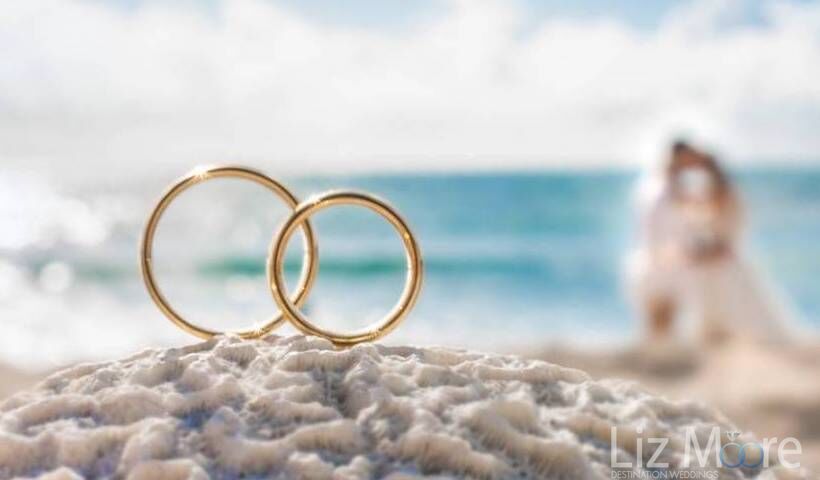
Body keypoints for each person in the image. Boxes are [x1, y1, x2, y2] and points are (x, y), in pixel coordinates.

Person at [626, 141, 793, 345]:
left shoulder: (713, 193)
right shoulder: (673, 192)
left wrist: (699, 247)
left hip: (711, 258)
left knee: (721, 306)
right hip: (683, 258)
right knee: (678, 310)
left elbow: (720, 229)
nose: (692, 171)